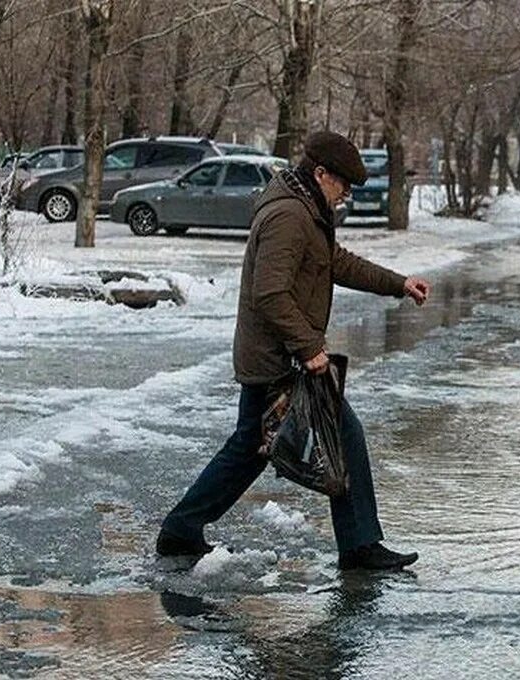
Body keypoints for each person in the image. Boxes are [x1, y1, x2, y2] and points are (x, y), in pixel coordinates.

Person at [157, 131, 432, 572]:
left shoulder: (308, 209)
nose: (345, 194)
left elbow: (336, 262)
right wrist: (307, 348)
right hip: (277, 357)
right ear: (320, 173)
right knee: (339, 435)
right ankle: (359, 545)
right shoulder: (290, 214)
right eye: (342, 184)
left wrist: (396, 283)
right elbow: (270, 293)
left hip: (277, 354)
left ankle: (181, 529)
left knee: (251, 446)